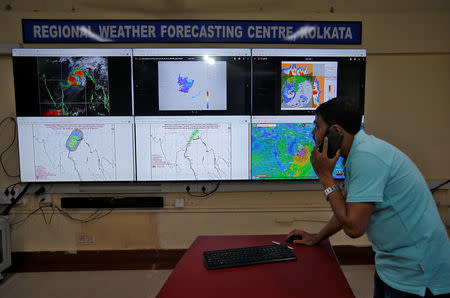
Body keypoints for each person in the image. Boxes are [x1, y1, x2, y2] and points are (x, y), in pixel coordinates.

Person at [287, 96, 450, 297]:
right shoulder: (359, 151)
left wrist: (326, 178)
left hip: (417, 273)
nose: (313, 135)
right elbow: (347, 207)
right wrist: (318, 237)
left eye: (317, 127)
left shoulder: (366, 157)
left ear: (336, 131)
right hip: (391, 265)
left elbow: (354, 227)